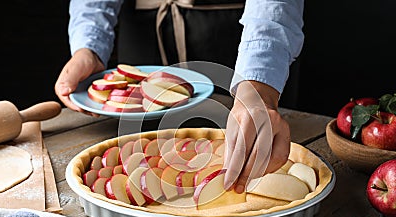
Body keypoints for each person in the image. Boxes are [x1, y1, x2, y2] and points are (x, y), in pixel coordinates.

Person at [55, 0, 305, 193]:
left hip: (239, 35)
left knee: (258, 147)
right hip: (143, 35)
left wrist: (258, 89)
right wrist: (89, 44)